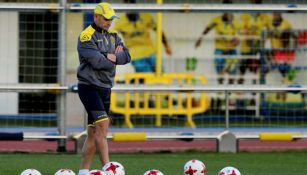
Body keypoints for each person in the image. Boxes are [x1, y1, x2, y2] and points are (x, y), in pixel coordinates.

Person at [76, 2, 131, 175]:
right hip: (89, 86)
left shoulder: (114, 35)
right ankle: (109, 169)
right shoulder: (86, 36)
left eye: (111, 19)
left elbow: (127, 56)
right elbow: (97, 62)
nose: (109, 22)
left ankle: (84, 171)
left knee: (93, 132)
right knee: (103, 125)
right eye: (106, 19)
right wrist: (114, 57)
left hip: (106, 87)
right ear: (96, 17)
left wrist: (109, 56)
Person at [113, 0, 172, 73]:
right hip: (135, 55)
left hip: (149, 52)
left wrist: (166, 46)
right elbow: (112, 36)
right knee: (147, 76)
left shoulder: (146, 17)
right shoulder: (120, 22)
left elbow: (159, 31)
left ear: (136, 7)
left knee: (161, 73)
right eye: (127, 7)